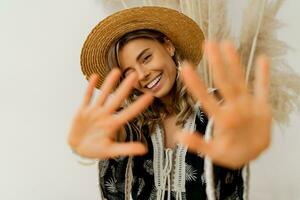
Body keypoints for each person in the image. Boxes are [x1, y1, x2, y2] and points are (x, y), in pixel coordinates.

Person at [68, 6, 271, 200]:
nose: (142, 74)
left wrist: (243, 138)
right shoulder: (131, 122)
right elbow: (114, 134)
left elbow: (231, 127)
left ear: (168, 46)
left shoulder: (216, 105)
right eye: (129, 72)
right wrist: (87, 146)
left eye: (146, 58)